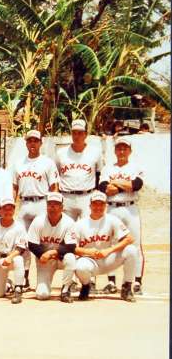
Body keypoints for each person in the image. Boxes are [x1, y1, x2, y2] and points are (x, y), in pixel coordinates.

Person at [12, 129, 59, 290]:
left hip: (41, 203)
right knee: (23, 242)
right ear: (26, 143)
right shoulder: (19, 163)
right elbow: (14, 187)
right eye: (29, 140)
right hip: (24, 204)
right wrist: (12, 205)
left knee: (41, 242)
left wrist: (54, 206)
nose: (32, 143)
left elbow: (54, 186)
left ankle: (43, 277)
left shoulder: (47, 162)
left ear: (41, 142)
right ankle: (24, 278)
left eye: (35, 140)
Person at [72, 191, 139, 302]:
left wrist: (109, 250)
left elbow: (129, 238)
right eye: (95, 204)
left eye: (101, 204)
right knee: (80, 267)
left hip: (108, 259)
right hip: (89, 260)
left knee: (131, 250)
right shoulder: (80, 224)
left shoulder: (112, 219)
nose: (98, 207)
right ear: (90, 206)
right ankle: (86, 286)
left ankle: (126, 287)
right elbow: (72, 248)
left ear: (106, 206)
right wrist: (89, 252)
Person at [98, 137, 145, 294]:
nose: (122, 151)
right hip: (112, 208)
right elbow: (103, 186)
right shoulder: (108, 168)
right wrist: (125, 185)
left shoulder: (135, 166)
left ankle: (136, 281)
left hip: (130, 208)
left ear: (130, 151)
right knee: (110, 243)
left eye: (125, 148)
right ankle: (111, 282)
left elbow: (136, 185)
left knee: (135, 245)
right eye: (119, 148)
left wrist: (116, 185)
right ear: (115, 150)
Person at [26, 192, 77, 303]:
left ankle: (65, 290)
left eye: (56, 204)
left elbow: (71, 246)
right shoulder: (38, 221)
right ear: (46, 206)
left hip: (60, 257)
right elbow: (31, 243)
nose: (53, 207)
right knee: (42, 295)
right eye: (50, 204)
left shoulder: (69, 222)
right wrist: (41, 254)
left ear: (62, 207)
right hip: (45, 260)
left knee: (71, 258)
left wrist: (51, 252)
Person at [55, 119, 103, 221]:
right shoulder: (61, 153)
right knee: (67, 231)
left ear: (85, 134)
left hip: (87, 197)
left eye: (80, 133)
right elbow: (55, 176)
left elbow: (99, 174)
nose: (77, 136)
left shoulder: (95, 152)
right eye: (74, 133)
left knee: (87, 230)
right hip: (66, 197)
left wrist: (97, 193)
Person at [0, 197, 27, 303]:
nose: (8, 211)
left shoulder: (19, 226)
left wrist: (10, 257)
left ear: (14, 210)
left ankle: (18, 289)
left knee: (19, 260)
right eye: (5, 209)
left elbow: (21, 248)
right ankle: (8, 284)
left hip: (11, 258)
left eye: (10, 209)